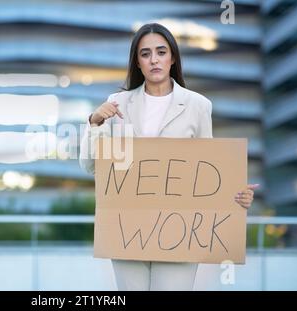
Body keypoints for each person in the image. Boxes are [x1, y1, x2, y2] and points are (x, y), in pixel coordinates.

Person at [79, 23, 259, 291]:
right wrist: (95, 123)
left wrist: (236, 194)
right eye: (145, 53)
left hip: (180, 231)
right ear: (137, 62)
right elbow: (93, 166)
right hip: (128, 229)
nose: (154, 60)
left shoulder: (198, 106)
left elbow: (208, 170)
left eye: (161, 52)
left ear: (172, 57)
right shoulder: (117, 104)